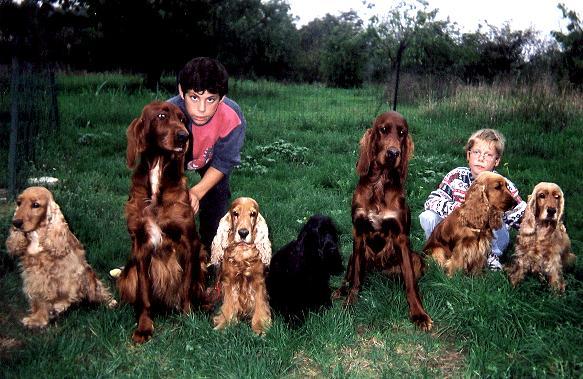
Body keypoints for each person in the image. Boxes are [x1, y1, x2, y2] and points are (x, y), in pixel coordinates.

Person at [419, 129, 526, 271]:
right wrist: (463, 211)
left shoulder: (504, 184)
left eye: (488, 155)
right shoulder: (456, 176)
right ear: (468, 155)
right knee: (428, 216)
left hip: (489, 237)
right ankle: (443, 255)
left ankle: (491, 257)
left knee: (500, 228)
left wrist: (550, 226)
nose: (481, 158)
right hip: (455, 235)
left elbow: (523, 216)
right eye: (476, 152)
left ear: (497, 161)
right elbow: (431, 201)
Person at [167, 57, 246, 250]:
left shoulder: (232, 116)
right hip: (173, 160)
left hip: (211, 159)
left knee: (217, 197)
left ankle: (210, 251)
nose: (201, 109)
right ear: (181, 92)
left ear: (222, 98)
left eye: (210, 99)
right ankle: (158, 253)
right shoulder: (166, 114)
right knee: (165, 204)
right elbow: (159, 164)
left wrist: (196, 192)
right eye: (194, 97)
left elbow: (224, 161)